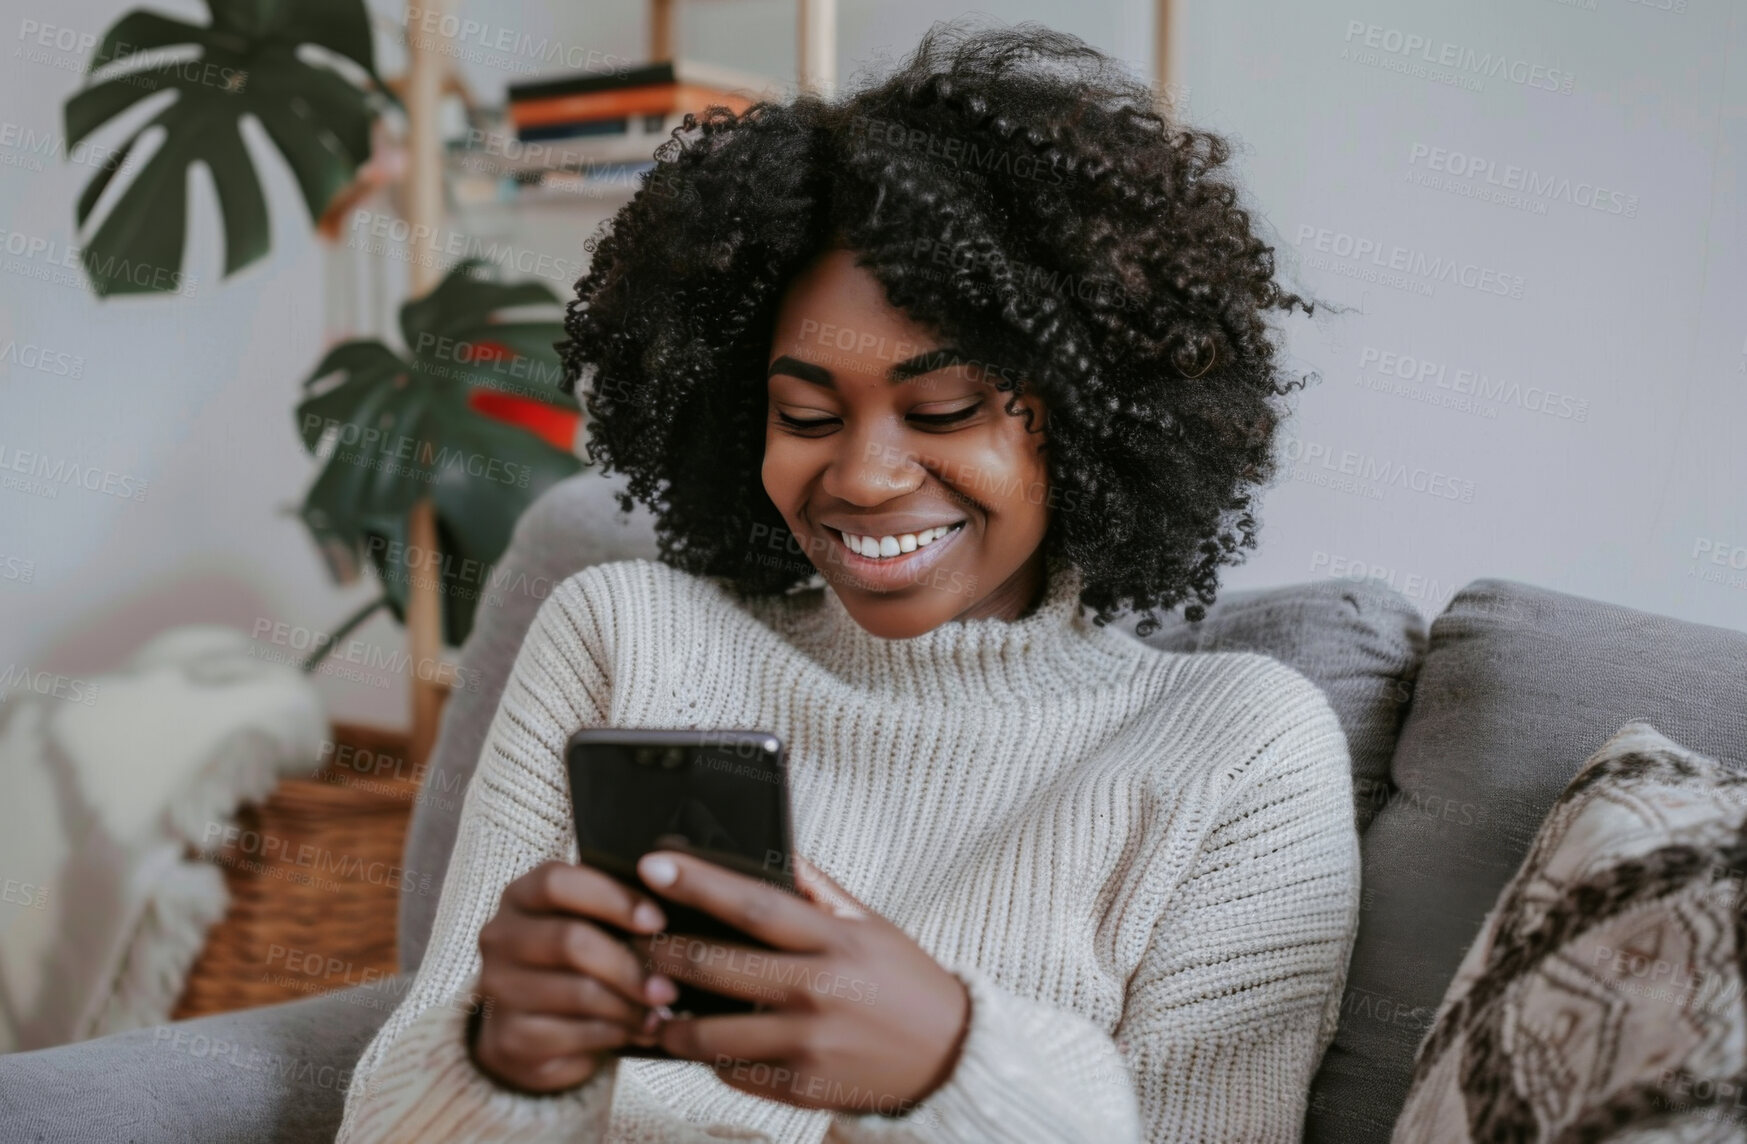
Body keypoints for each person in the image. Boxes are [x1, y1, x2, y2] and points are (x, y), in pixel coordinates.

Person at [337, 21, 1360, 1143]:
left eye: (944, 410)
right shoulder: (622, 634)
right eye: (806, 416)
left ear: (1088, 413)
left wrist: (952, 1070)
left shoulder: (1240, 752)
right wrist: (507, 1058)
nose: (863, 478)